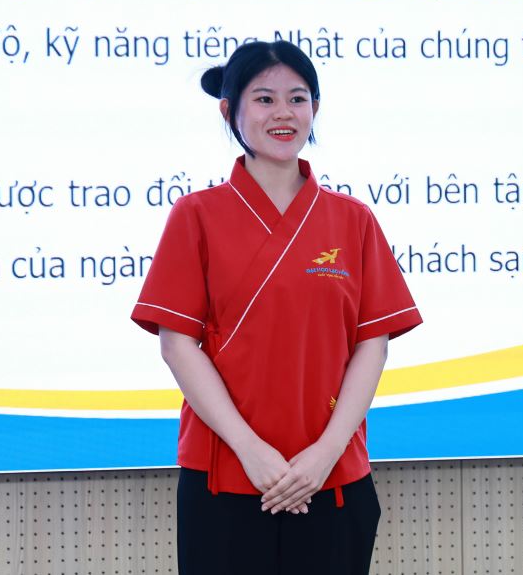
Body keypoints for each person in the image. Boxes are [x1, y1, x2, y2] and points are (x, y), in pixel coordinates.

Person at [131, 40, 422, 575]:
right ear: (230, 111)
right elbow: (178, 345)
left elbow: (372, 345)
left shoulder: (352, 219)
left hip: (331, 477)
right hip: (226, 475)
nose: (283, 113)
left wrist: (324, 455)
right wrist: (251, 450)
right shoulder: (195, 215)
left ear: (315, 109)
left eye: (298, 98)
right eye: (264, 99)